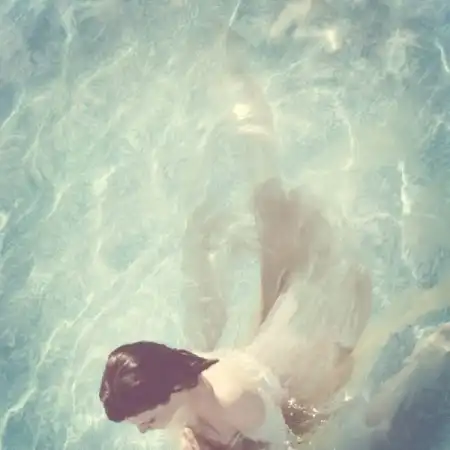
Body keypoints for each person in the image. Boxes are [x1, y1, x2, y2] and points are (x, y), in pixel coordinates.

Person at [98, 30, 372, 450]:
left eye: (147, 420)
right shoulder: (181, 376)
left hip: (294, 392)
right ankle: (235, 81)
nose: (144, 429)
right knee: (275, 227)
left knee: (277, 221)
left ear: (171, 392)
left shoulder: (238, 404)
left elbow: (287, 442)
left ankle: (238, 77)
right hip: (255, 361)